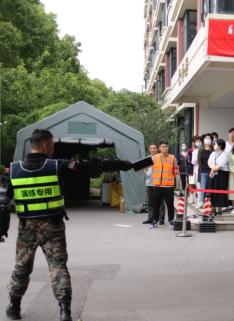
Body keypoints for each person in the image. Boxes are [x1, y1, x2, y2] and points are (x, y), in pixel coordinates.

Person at [0, 129, 132, 320]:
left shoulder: (13, 170)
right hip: (53, 227)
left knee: (21, 266)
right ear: (45, 145)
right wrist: (121, 164)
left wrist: (1, 230)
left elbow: (2, 202)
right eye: (52, 146)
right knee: (58, 267)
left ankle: (13, 307)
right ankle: (64, 312)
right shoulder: (59, 166)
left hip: (27, 228)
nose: (53, 150)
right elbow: (88, 166)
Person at [149, 140, 179, 228]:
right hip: (157, 184)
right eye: (163, 147)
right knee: (156, 204)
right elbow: (152, 169)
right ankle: (154, 221)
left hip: (168, 185)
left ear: (168, 147)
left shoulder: (172, 158)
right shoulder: (154, 157)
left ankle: (171, 221)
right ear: (159, 148)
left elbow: (175, 171)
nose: (165, 148)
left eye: (166, 146)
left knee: (170, 204)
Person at [143, 143, 166, 224]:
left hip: (159, 183)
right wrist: (149, 175)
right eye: (151, 148)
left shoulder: (160, 158)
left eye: (154, 148)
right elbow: (145, 170)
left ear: (157, 149)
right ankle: (151, 217)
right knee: (150, 201)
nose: (152, 150)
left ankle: (161, 218)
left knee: (160, 201)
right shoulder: (147, 158)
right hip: (149, 182)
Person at [208, 139, 230, 211]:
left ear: (219, 145)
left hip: (220, 174)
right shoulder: (213, 153)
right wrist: (212, 169)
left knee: (219, 190)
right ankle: (212, 207)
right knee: (212, 189)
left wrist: (213, 169)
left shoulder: (224, 154)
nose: (214, 145)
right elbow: (209, 162)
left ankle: (219, 208)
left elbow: (221, 165)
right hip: (212, 173)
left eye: (216, 144)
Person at [196, 134, 214, 208]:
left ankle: (210, 202)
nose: (207, 139)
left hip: (211, 171)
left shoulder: (213, 150)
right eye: (206, 138)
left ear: (211, 140)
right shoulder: (201, 149)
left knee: (210, 187)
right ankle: (203, 202)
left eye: (209, 138)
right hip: (203, 171)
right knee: (203, 188)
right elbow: (199, 160)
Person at [190, 135, 203, 205]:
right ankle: (199, 202)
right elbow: (193, 162)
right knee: (198, 187)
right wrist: (198, 158)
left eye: (200, 141)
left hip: (204, 170)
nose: (198, 142)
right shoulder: (194, 151)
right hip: (197, 171)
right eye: (197, 141)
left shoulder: (204, 150)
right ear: (194, 143)